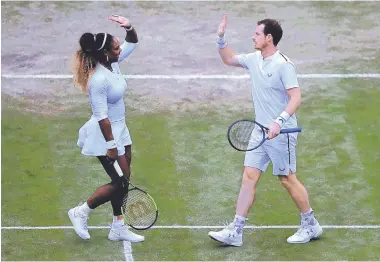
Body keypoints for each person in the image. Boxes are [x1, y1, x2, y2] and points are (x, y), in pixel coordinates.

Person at [208, 14, 323, 246]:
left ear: (269, 38)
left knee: (286, 178)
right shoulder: (254, 58)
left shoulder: (284, 65)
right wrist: (221, 38)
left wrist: (278, 121)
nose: (253, 36)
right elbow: (228, 59)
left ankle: (310, 225)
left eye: (257, 33)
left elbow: (296, 97)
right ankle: (236, 231)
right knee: (249, 177)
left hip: (282, 133)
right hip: (259, 131)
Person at [68, 14, 144, 243]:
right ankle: (81, 211)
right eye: (116, 47)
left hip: (121, 128)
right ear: (105, 53)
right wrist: (111, 145)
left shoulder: (113, 63)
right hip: (105, 134)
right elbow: (102, 117)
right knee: (120, 182)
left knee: (125, 177)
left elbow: (133, 41)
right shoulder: (98, 80)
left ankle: (118, 227)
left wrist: (129, 26)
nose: (120, 49)